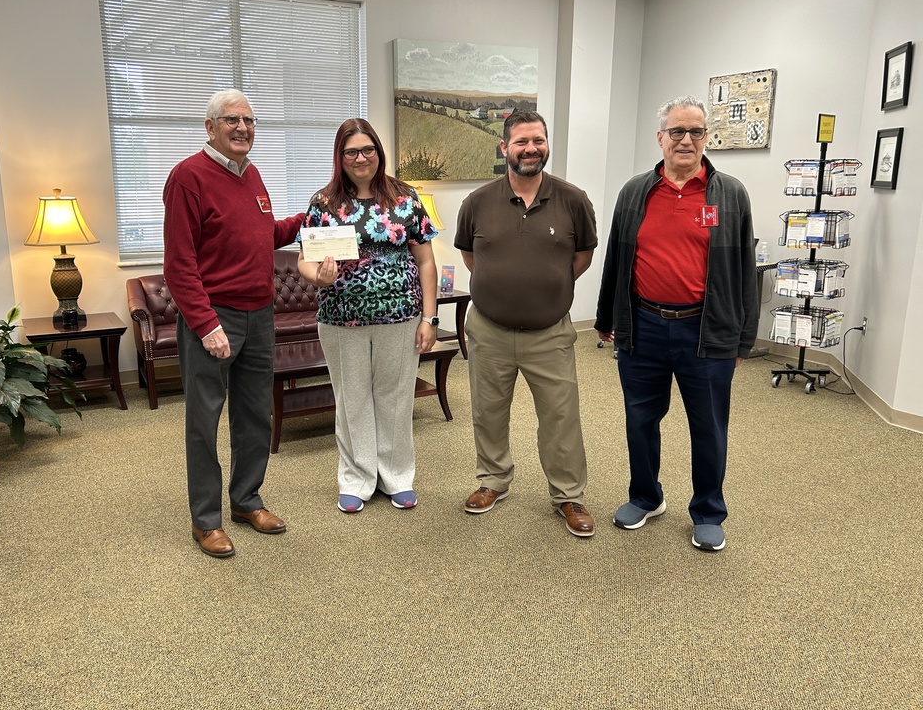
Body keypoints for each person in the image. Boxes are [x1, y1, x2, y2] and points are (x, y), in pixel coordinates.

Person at [594, 95, 758, 552]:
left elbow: (745, 269)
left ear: (707, 137)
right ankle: (646, 497)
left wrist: (743, 337)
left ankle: (708, 511)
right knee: (640, 420)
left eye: (696, 132)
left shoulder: (730, 194)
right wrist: (608, 318)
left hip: (704, 332)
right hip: (643, 326)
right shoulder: (635, 193)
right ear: (660, 137)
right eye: (677, 132)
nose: (686, 140)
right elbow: (616, 261)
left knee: (708, 426)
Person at [163, 89, 304, 558]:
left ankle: (246, 500)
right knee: (204, 420)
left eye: (249, 120)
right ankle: (205, 521)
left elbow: (266, 235)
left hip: (260, 314)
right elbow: (179, 264)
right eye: (232, 121)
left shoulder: (252, 174)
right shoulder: (188, 177)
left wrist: (311, 217)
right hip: (215, 316)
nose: (243, 128)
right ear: (210, 127)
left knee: (253, 416)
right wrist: (205, 324)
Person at [454, 110, 598, 538]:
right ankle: (493, 481)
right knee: (488, 411)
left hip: (549, 332)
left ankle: (568, 495)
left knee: (560, 416)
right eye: (521, 142)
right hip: (489, 329)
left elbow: (581, 258)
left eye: (538, 140)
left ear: (547, 144)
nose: (530, 149)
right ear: (504, 148)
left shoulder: (573, 199)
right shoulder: (477, 203)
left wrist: (546, 287)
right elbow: (471, 258)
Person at [297, 118, 439, 514]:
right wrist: (319, 277)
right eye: (351, 152)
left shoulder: (405, 197)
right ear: (340, 158)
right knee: (352, 399)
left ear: (378, 151)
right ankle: (357, 478)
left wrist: (430, 318)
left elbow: (426, 261)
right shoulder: (324, 203)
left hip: (402, 316)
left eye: (368, 150)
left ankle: (396, 476)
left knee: (395, 398)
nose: (361, 158)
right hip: (341, 318)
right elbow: (305, 261)